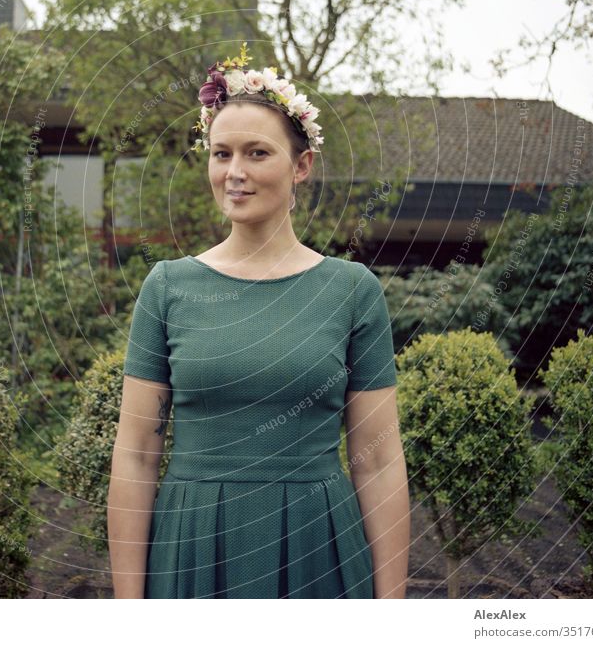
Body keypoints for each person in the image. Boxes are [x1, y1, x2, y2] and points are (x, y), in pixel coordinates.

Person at [108, 43, 410, 599]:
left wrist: (391, 611)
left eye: (257, 153)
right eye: (221, 154)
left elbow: (379, 458)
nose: (235, 173)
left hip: (316, 546)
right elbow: (135, 454)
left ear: (301, 166)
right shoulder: (168, 288)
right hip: (192, 545)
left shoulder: (351, 291)